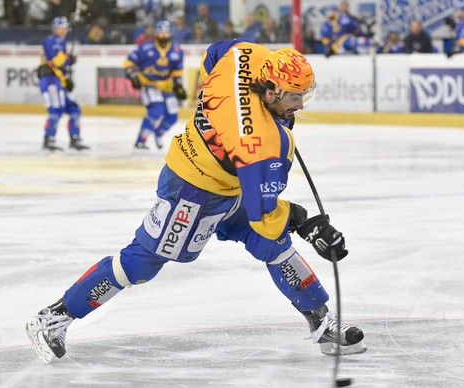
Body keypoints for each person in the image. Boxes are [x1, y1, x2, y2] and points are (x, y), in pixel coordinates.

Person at [25, 40, 367, 364]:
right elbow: (263, 211)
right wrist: (307, 222)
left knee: (272, 243)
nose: (301, 105)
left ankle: (321, 323)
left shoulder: (247, 56)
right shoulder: (262, 141)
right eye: (294, 97)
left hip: (224, 181)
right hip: (193, 191)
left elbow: (215, 53)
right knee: (142, 262)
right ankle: (55, 316)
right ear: (273, 90)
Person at [124, 20, 187, 150]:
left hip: (167, 88)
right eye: (161, 32)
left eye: (166, 32)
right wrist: (132, 76)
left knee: (172, 116)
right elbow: (129, 62)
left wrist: (178, 86)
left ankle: (158, 133)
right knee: (156, 111)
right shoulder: (145, 48)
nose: (164, 35)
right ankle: (140, 141)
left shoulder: (177, 51)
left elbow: (177, 72)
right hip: (149, 86)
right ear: (156, 33)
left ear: (171, 33)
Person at [38, 16, 90, 151]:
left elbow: (62, 63)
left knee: (74, 109)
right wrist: (69, 59)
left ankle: (75, 138)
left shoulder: (61, 42)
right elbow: (58, 61)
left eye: (65, 27)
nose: (63, 30)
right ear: (55, 28)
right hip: (50, 81)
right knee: (56, 109)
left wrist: (68, 62)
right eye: (61, 27)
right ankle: (49, 139)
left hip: (57, 81)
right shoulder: (53, 41)